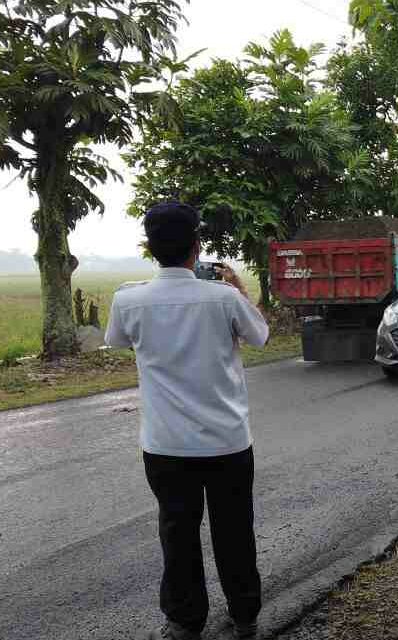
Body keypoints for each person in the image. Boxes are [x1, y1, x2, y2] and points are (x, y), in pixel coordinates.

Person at [105, 202, 270, 640]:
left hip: (166, 446)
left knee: (177, 534)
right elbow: (260, 336)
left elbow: (117, 340)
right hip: (228, 442)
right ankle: (246, 616)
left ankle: (184, 622)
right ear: (197, 245)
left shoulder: (128, 300)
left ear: (150, 247)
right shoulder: (224, 297)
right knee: (234, 530)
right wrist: (237, 287)